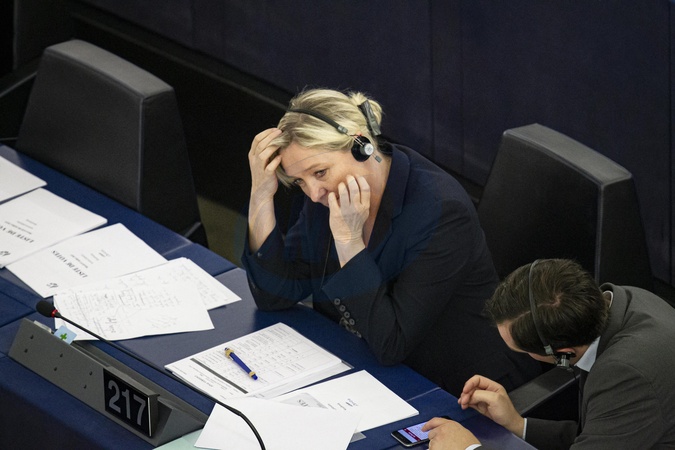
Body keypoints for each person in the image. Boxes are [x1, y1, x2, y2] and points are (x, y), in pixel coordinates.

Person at [241, 88, 540, 395]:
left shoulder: (442, 213)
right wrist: (261, 196)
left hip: (458, 388)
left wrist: (348, 241)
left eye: (320, 172)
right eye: (300, 181)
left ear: (362, 146)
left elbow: (391, 343)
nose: (314, 193)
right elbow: (274, 295)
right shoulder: (327, 195)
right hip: (364, 366)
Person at [423, 258, 675, 449]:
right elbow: (600, 430)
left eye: (521, 351)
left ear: (563, 354)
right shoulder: (619, 301)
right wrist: (517, 424)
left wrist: (469, 449)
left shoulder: (627, 376)